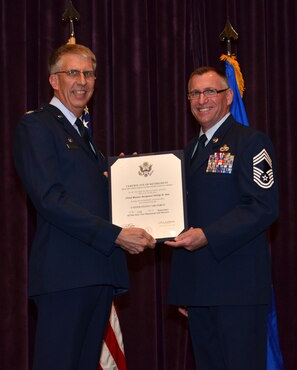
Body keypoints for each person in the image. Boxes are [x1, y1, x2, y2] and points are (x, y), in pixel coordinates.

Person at [13, 43, 156, 370]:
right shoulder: (36, 126)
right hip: (65, 276)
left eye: (89, 73)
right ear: (53, 80)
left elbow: (84, 193)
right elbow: (50, 199)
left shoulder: (84, 134)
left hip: (96, 273)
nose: (82, 80)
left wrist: (123, 179)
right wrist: (116, 235)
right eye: (72, 72)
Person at [165, 66, 278, 370]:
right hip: (200, 291)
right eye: (194, 93)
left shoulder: (251, 143)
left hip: (238, 290)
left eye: (210, 91)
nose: (202, 99)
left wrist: (208, 235)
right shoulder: (188, 152)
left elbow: (263, 206)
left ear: (228, 97)